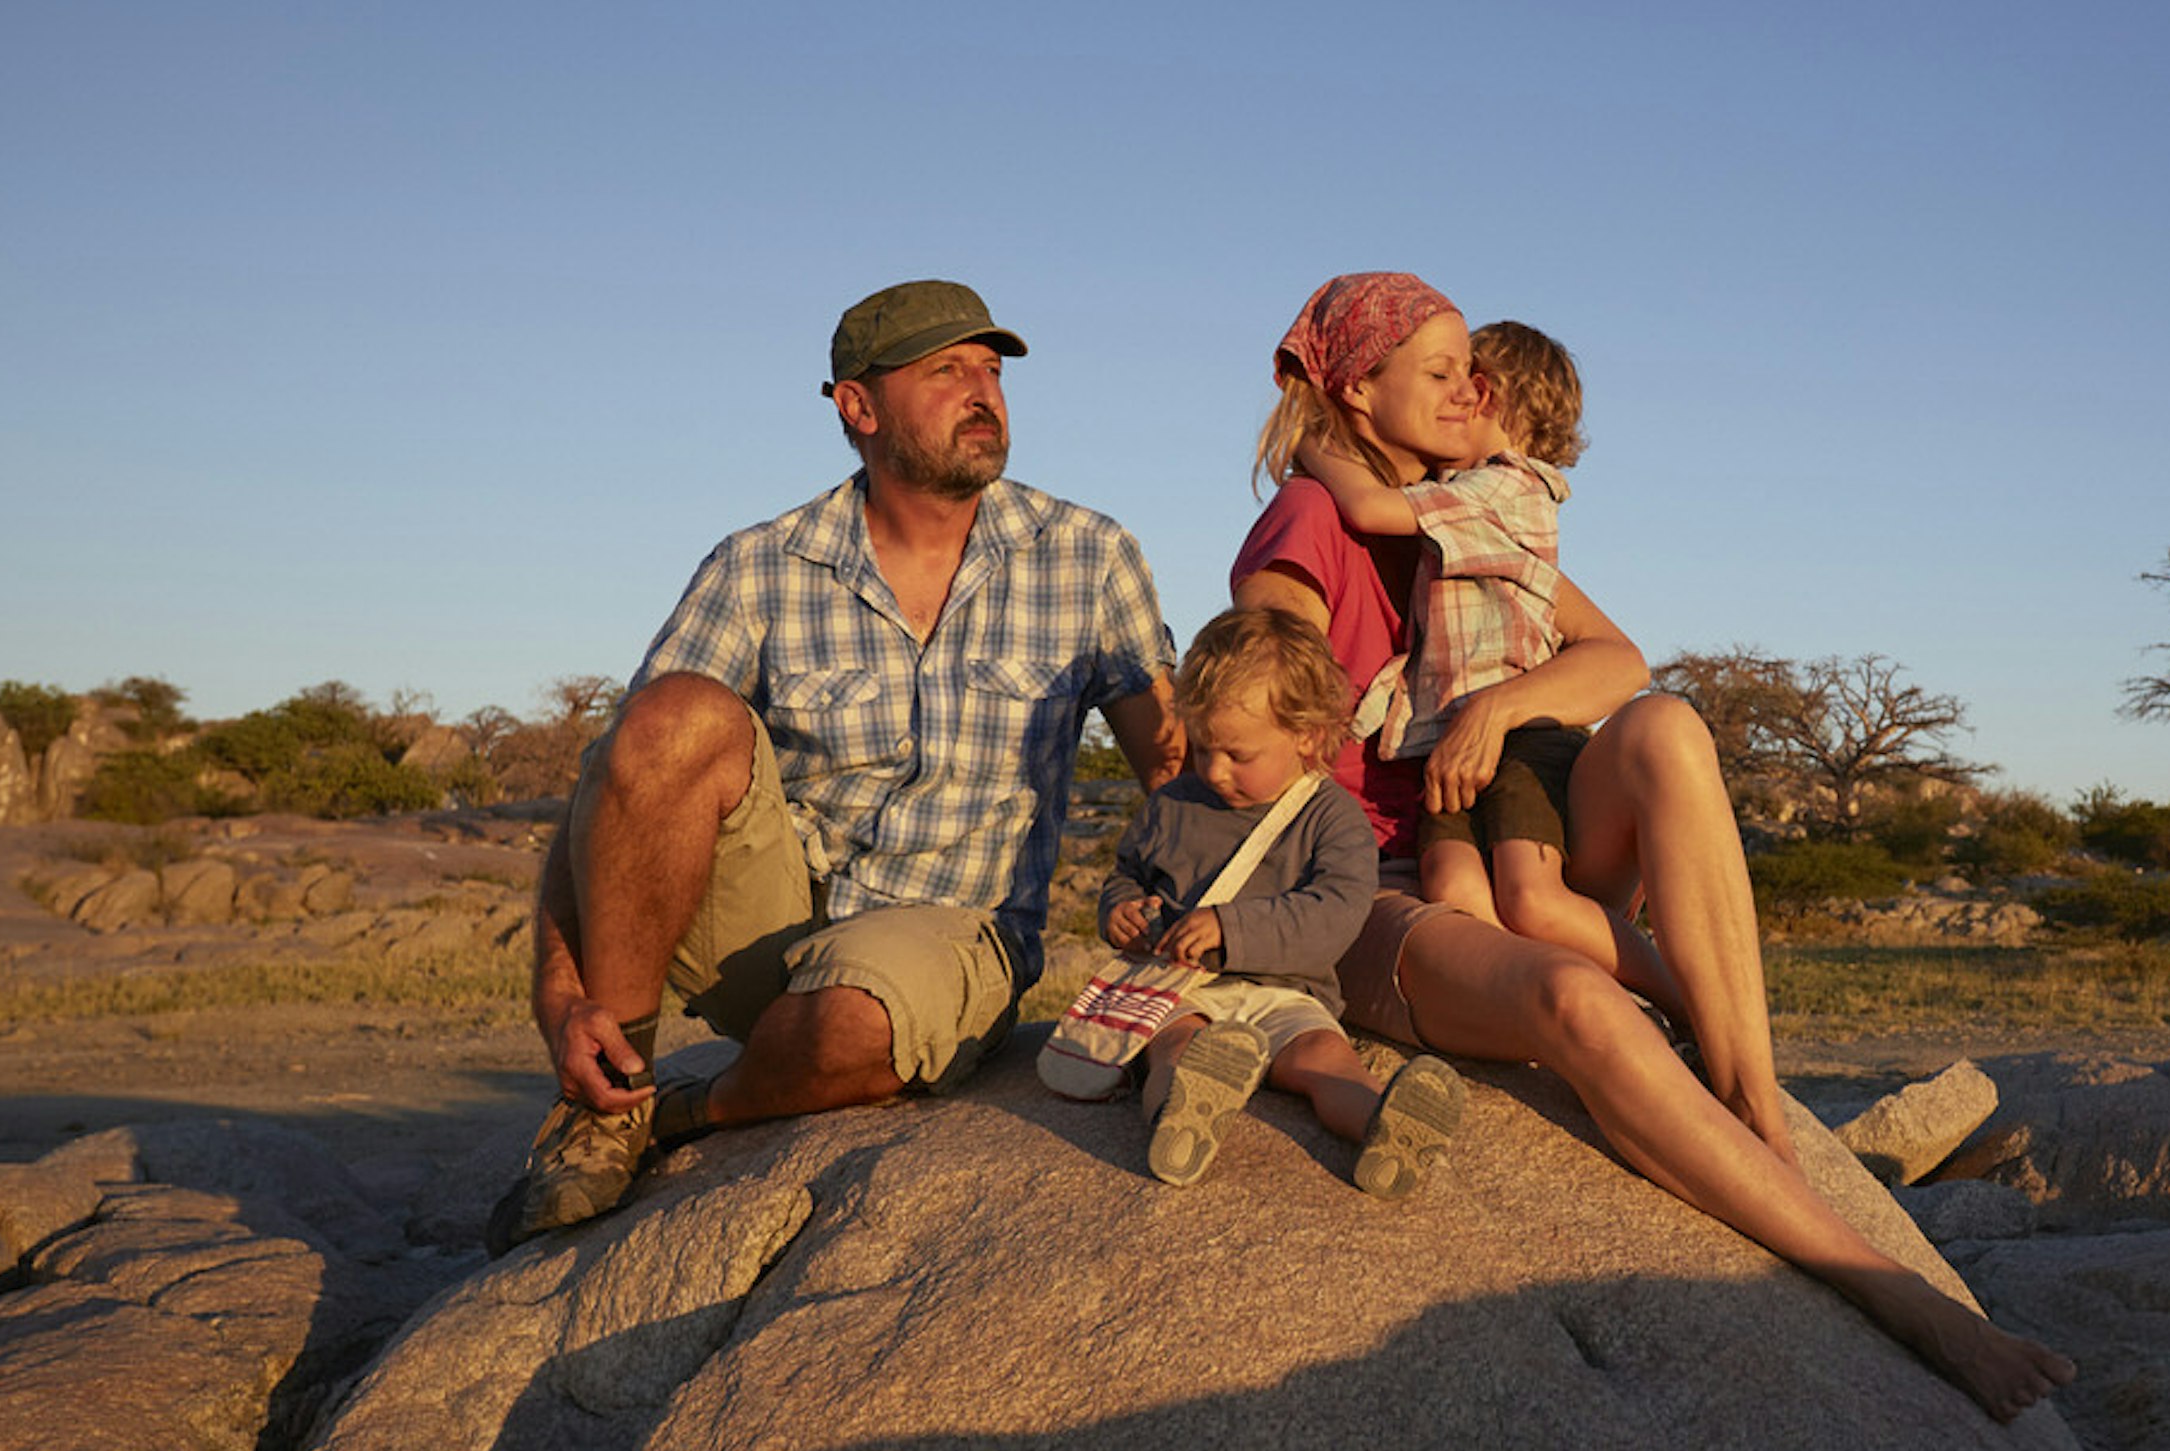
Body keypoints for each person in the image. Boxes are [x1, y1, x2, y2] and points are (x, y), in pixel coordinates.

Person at [1231, 271, 2073, 1422]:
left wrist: (1498, 703)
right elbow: (1264, 726)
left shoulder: (1473, 505)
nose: (1468, 387)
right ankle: (1891, 1294)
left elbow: (1618, 659)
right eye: (1437, 371)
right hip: (1377, 880)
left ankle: (1756, 1103)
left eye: (1467, 367)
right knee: (1576, 1000)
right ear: (1356, 389)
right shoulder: (1308, 522)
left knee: (1670, 725)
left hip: (1500, 816)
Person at [489, 277, 1180, 1252]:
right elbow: (620, 787)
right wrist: (564, 1003)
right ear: (858, 405)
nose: (984, 391)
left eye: (991, 369)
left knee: (849, 1021)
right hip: (769, 928)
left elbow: (1183, 766)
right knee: (671, 714)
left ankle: (696, 1107)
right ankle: (612, 1093)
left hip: (952, 930)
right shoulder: (760, 564)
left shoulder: (1087, 555)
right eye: (947, 371)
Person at [1289, 319, 1672, 1014]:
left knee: (1532, 897)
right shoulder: (1460, 500)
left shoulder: (1505, 488)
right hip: (1449, 741)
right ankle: (1543, 1003)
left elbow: (1372, 507)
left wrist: (1314, 440)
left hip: (1521, 740)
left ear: (1485, 392)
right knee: (1454, 889)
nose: (1449, 401)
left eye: (1455, 384)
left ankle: (1670, 993)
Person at [1074, 606, 1467, 1194]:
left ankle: (1383, 1125)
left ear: (1305, 735)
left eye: (1238, 754)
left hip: (1287, 993)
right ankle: (1179, 1117)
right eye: (1203, 747)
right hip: (1183, 990)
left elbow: (1336, 912)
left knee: (1323, 1059)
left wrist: (1231, 929)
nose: (1213, 769)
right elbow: (1128, 874)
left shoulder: (1331, 818)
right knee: (1174, 1045)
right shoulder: (1172, 804)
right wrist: (1120, 911)